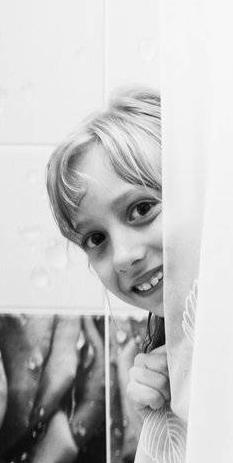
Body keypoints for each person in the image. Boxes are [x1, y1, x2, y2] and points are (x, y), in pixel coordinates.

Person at [45, 85, 172, 412]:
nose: (123, 257)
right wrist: (162, 420)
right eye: (96, 238)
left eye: (142, 209)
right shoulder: (170, 363)